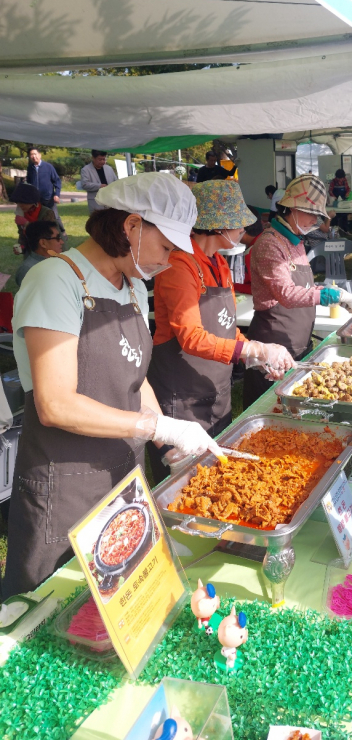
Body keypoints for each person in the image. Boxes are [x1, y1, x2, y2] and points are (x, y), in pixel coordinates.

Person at [3, 173, 224, 597]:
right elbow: (56, 404)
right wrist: (154, 428)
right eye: (165, 247)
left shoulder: (134, 288)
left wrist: (167, 438)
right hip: (64, 485)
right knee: (52, 610)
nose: (169, 260)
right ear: (132, 226)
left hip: (123, 476)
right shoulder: (56, 280)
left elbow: (134, 378)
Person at [148, 180, 294, 483]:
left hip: (216, 388)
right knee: (187, 483)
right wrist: (252, 349)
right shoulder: (178, 265)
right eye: (237, 223)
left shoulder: (219, 264)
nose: (243, 229)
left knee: (220, 476)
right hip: (182, 394)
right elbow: (191, 337)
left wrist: (254, 355)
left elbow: (226, 328)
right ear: (217, 226)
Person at [243, 174, 352, 409]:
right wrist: (332, 296)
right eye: (311, 213)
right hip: (273, 339)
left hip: (298, 340)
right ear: (291, 209)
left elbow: (305, 288)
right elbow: (287, 294)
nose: (315, 220)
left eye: (317, 215)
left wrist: (336, 296)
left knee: (295, 408)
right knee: (268, 409)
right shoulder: (269, 243)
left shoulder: (296, 241)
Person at [10, 182, 58, 254]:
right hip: (32, 252)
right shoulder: (21, 214)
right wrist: (21, 247)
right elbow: (22, 234)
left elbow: (48, 236)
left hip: (49, 251)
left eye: (24, 202)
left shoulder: (47, 213)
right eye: (18, 203)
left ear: (33, 201)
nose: (20, 205)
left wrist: (27, 224)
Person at [15, 220, 64, 288]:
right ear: (43, 243)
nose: (62, 242)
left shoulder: (58, 261)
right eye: (57, 238)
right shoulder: (28, 270)